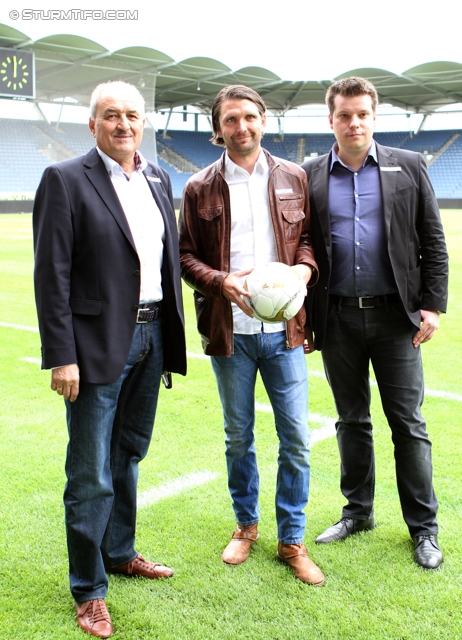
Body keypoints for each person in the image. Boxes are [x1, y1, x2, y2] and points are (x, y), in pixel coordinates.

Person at [33, 81, 187, 638]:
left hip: (151, 340)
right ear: (92, 124)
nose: (124, 125)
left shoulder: (157, 176)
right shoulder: (66, 179)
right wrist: (61, 356)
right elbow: (52, 275)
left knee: (128, 456)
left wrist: (167, 341)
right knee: (91, 472)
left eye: (133, 116)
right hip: (98, 347)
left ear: (143, 123)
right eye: (111, 116)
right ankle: (89, 589)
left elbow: (163, 263)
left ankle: (120, 552)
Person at [301, 77, 448, 570]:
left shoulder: (408, 166)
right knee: (352, 421)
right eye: (345, 115)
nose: (354, 122)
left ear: (374, 116)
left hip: (395, 318)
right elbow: (301, 246)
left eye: (362, 113)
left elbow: (433, 240)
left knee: (408, 424)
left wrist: (432, 306)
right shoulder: (310, 174)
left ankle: (423, 530)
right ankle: (357, 512)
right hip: (337, 317)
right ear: (331, 120)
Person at [179, 85, 324, 586]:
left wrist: (303, 273)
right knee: (239, 437)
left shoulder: (293, 176)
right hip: (230, 333)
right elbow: (184, 258)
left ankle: (292, 540)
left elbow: (307, 241)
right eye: (231, 120)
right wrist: (223, 283)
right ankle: (245, 526)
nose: (241, 127)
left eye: (250, 117)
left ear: (264, 120)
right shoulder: (199, 186)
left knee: (296, 440)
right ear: (218, 129)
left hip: (284, 332)